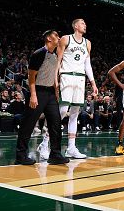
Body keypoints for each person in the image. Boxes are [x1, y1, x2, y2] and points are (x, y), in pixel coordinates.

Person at [38, 19, 98, 160]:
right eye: (83, 23)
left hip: (80, 78)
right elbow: (57, 60)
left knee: (75, 113)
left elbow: (87, 64)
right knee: (62, 111)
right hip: (66, 76)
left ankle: (71, 148)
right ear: (75, 26)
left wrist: (93, 83)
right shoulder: (65, 39)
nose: (85, 25)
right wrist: (55, 78)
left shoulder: (87, 43)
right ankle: (44, 143)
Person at [15, 30, 69, 165]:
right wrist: (33, 95)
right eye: (56, 35)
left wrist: (56, 92)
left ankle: (55, 154)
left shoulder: (56, 54)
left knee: (56, 123)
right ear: (48, 38)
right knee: (28, 124)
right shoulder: (39, 53)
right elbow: (31, 76)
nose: (58, 37)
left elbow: (54, 74)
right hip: (37, 91)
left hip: (50, 93)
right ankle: (21, 155)